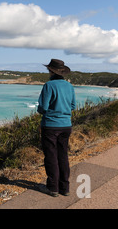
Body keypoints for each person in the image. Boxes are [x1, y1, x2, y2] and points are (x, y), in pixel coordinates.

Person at [37, 59, 76, 197]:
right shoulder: (69, 86)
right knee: (63, 155)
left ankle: (53, 188)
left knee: (51, 157)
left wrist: (43, 111)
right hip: (66, 125)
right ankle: (64, 187)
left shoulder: (49, 85)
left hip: (51, 126)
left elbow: (43, 107)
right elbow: (73, 106)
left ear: (50, 71)